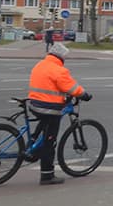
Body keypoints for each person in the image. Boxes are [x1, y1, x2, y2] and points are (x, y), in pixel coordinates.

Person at [28, 43, 92, 185]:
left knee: (44, 123)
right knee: (50, 141)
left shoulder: (40, 64)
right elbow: (72, 88)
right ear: (61, 58)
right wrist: (85, 95)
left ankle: (32, 145)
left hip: (34, 104)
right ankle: (47, 175)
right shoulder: (59, 70)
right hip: (49, 108)